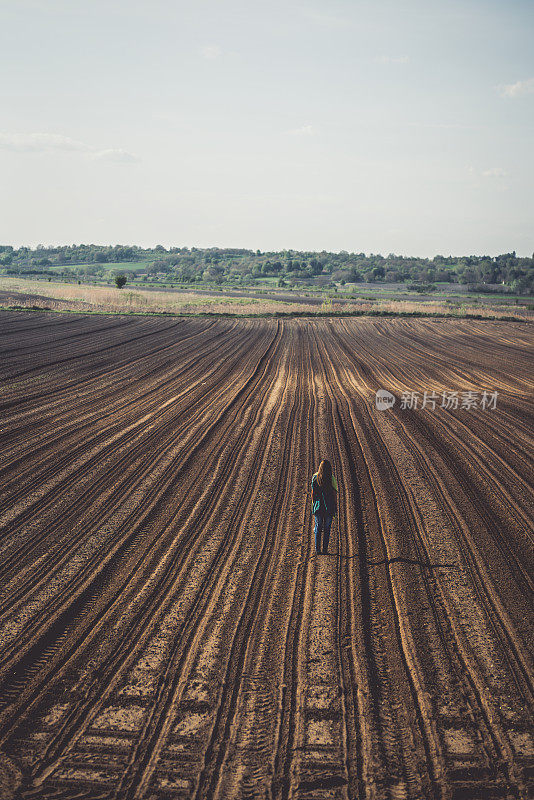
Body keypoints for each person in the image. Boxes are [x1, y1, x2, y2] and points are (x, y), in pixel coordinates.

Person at [311, 459, 337, 555]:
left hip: (318, 507)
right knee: (327, 528)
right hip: (328, 506)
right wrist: (335, 504)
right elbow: (334, 493)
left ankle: (318, 550)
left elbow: (313, 493)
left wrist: (314, 504)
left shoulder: (315, 477)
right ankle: (325, 549)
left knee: (318, 527)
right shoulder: (331, 478)